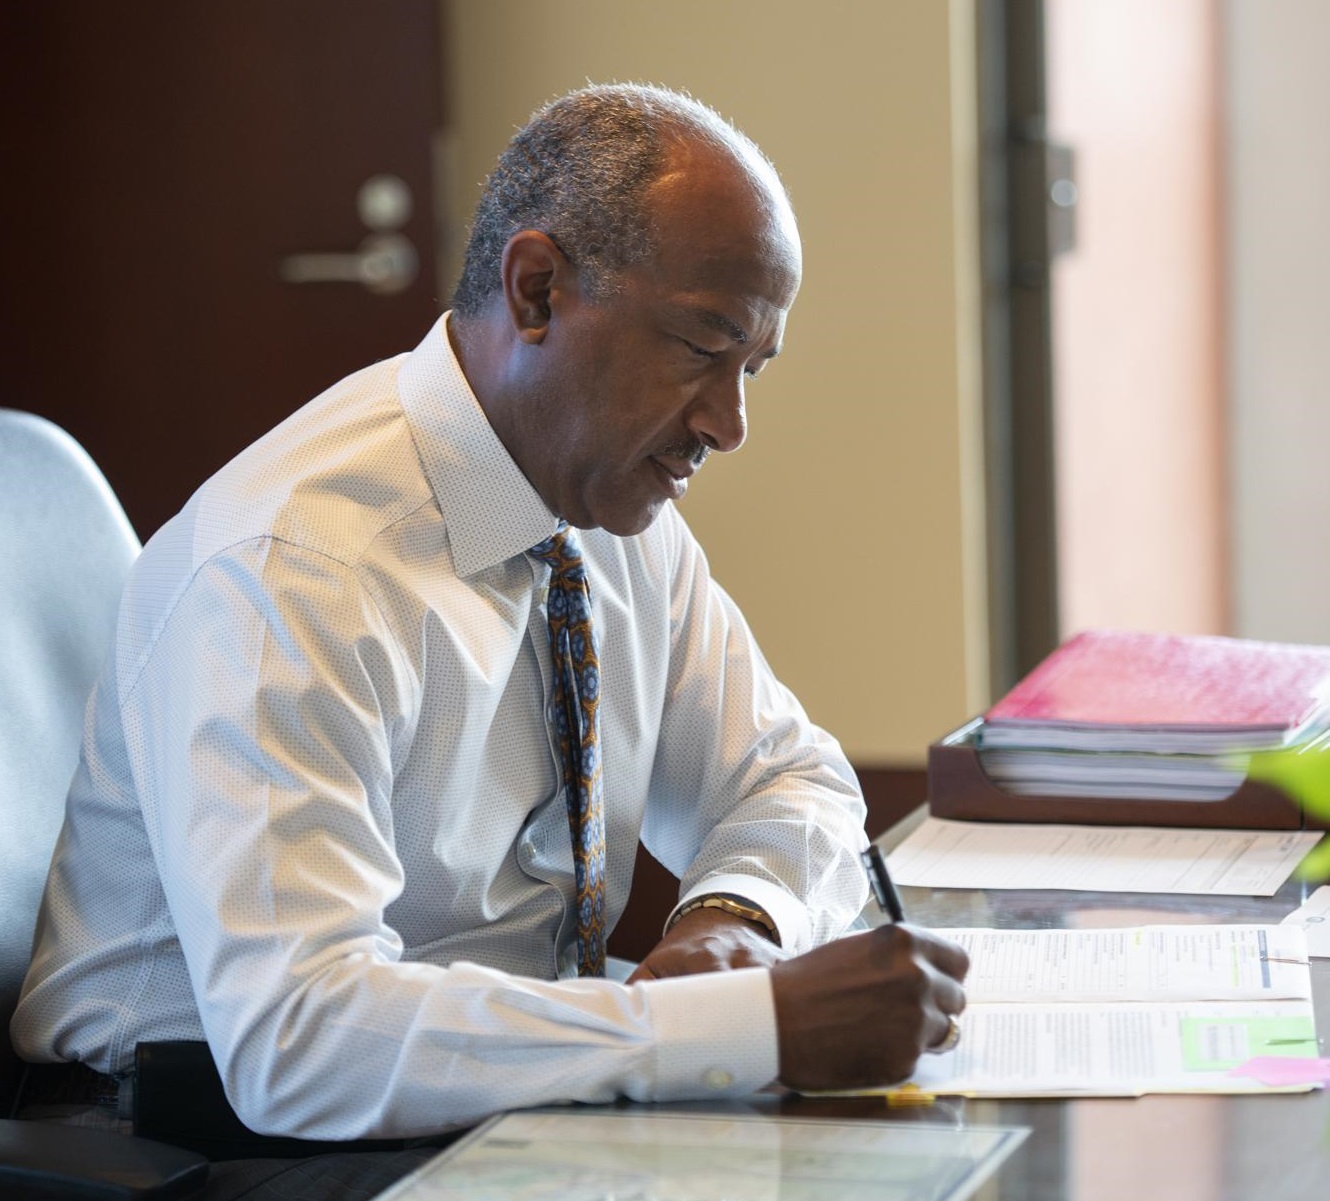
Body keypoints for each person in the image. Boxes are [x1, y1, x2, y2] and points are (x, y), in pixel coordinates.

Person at [14, 83, 967, 1148]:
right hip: (200, 1142)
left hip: (495, 1096)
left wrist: (732, 927)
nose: (728, 424)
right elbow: (301, 1043)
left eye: (752, 367)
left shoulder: (610, 510)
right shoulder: (292, 567)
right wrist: (744, 1028)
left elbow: (787, 778)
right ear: (535, 291)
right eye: (704, 347)